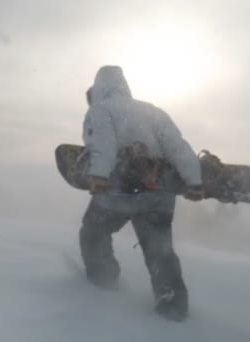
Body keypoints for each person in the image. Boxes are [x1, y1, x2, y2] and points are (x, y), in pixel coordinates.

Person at [79, 65, 204, 321]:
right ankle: (172, 304)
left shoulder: (100, 110)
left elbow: (102, 143)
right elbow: (178, 147)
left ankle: (103, 279)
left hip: (117, 195)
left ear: (99, 88)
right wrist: (194, 180)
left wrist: (99, 175)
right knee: (160, 251)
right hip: (159, 197)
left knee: (93, 231)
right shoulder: (152, 111)